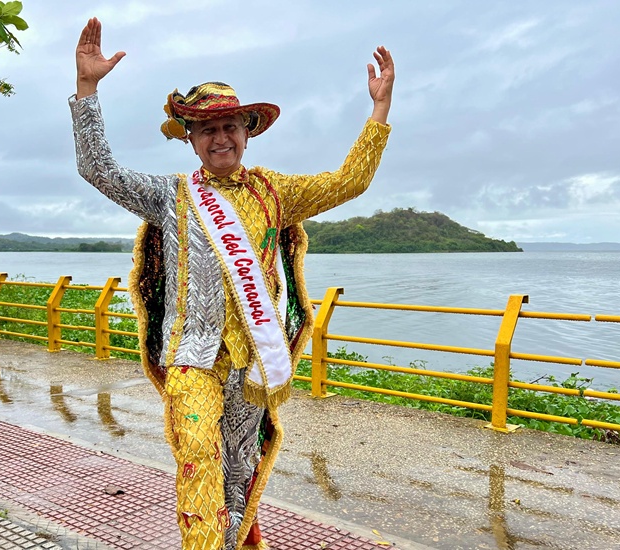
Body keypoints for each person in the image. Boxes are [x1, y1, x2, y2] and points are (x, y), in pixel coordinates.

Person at [70, 16, 394, 550]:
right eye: (208, 129)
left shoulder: (275, 192)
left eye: (230, 126)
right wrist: (87, 89)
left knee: (241, 468)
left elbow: (349, 181)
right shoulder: (169, 195)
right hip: (191, 357)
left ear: (246, 132)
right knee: (199, 456)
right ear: (191, 139)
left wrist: (379, 109)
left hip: (251, 362)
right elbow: (99, 170)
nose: (221, 137)